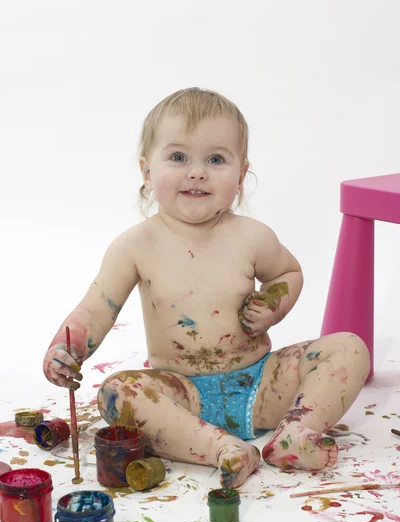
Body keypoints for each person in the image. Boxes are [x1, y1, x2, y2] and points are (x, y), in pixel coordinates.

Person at [43, 88, 370, 489]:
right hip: (182, 394)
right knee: (116, 392)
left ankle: (295, 433)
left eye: (216, 159)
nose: (197, 172)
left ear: (241, 173)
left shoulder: (252, 236)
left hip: (262, 384)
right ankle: (223, 449)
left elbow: (288, 274)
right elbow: (96, 309)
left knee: (349, 347)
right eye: (178, 157)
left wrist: (272, 303)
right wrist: (67, 347)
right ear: (147, 171)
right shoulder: (134, 246)